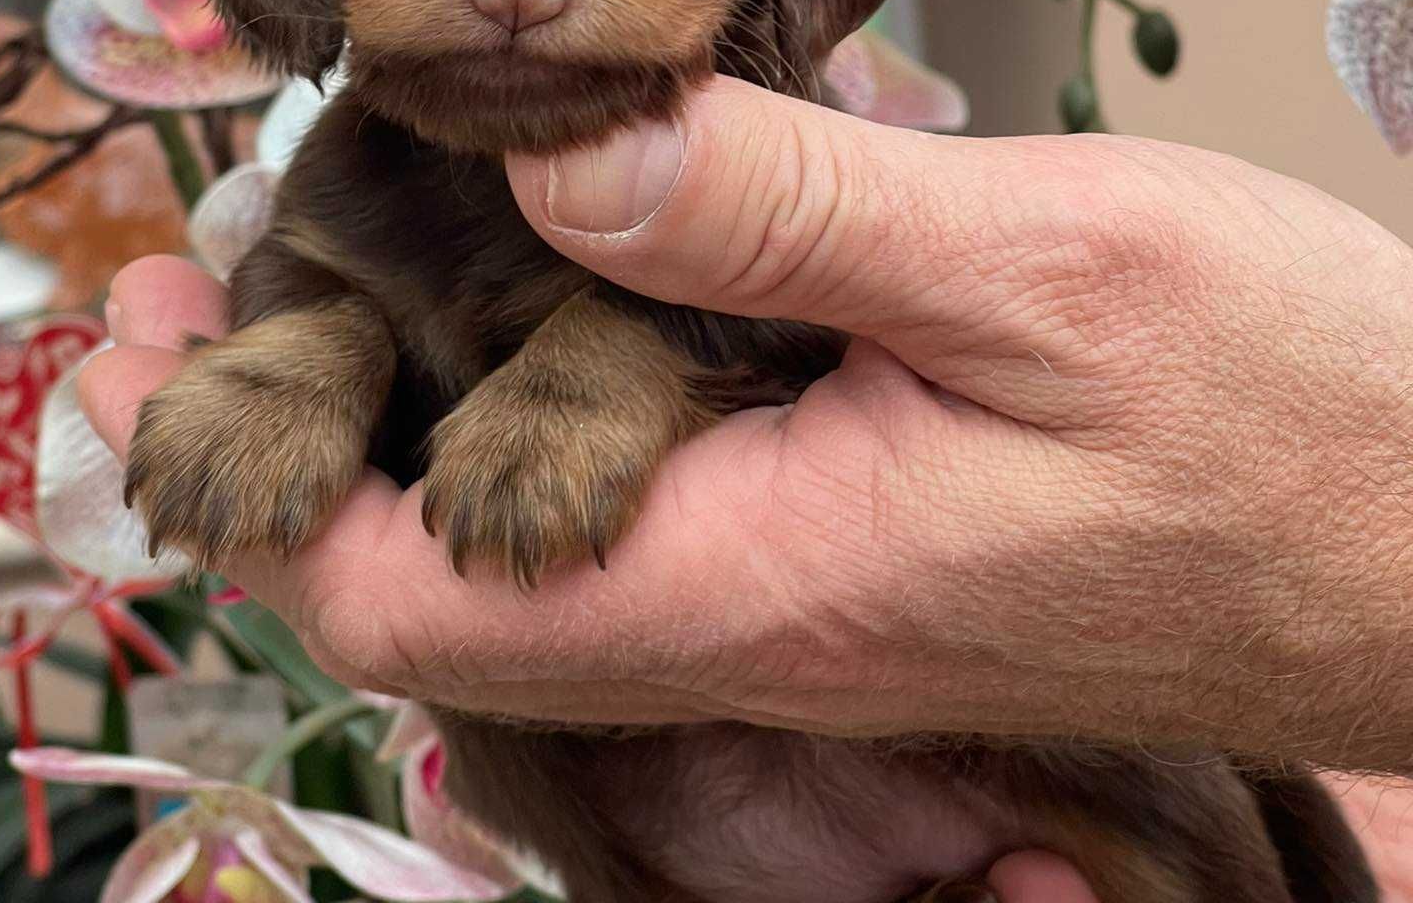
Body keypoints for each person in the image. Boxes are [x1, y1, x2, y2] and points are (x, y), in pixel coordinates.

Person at [81, 76, 1413, 901]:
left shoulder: (756, 148)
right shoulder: (348, 186)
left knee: (1172, 818)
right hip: (641, 844)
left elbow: (777, 334)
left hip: (1013, 770)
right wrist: (308, 358)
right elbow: (301, 276)